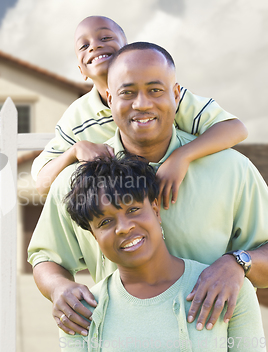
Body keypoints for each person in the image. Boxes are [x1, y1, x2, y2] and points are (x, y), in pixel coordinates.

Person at [28, 42, 268, 338]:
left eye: (155, 90)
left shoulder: (232, 169)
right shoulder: (78, 181)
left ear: (176, 94)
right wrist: (59, 288)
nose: (141, 104)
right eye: (127, 92)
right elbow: (45, 257)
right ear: (108, 97)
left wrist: (238, 264)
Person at [32, 16, 247, 212]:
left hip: (183, 202)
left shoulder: (165, 98)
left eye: (105, 37)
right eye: (84, 45)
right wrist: (74, 151)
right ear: (81, 70)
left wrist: (182, 156)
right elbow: (42, 183)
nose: (95, 46)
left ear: (128, 49)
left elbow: (235, 129)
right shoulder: (77, 118)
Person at [59, 154, 265, 352]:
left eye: (133, 210)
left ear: (156, 211)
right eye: (104, 222)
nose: (123, 227)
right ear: (95, 237)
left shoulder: (227, 288)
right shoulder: (81, 312)